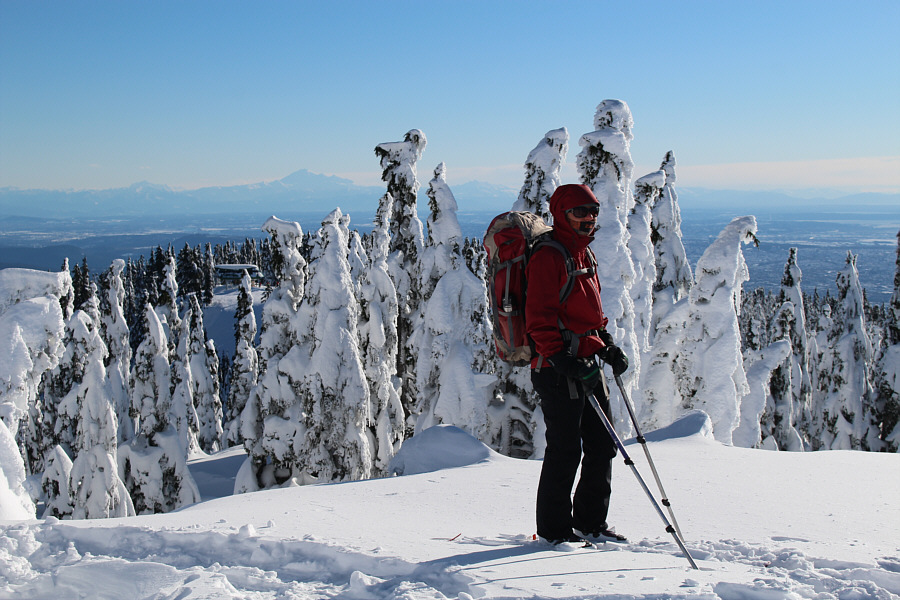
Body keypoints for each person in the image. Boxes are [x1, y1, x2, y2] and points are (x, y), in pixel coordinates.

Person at [525, 183, 630, 545]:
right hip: (557, 369)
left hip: (585, 363)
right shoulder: (549, 256)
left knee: (603, 445)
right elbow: (538, 318)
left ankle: (590, 523)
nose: (588, 219)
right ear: (561, 214)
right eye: (579, 212)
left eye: (593, 211)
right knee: (566, 449)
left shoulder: (584, 254)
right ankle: (555, 531)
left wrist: (607, 346)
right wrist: (562, 360)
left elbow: (590, 315)